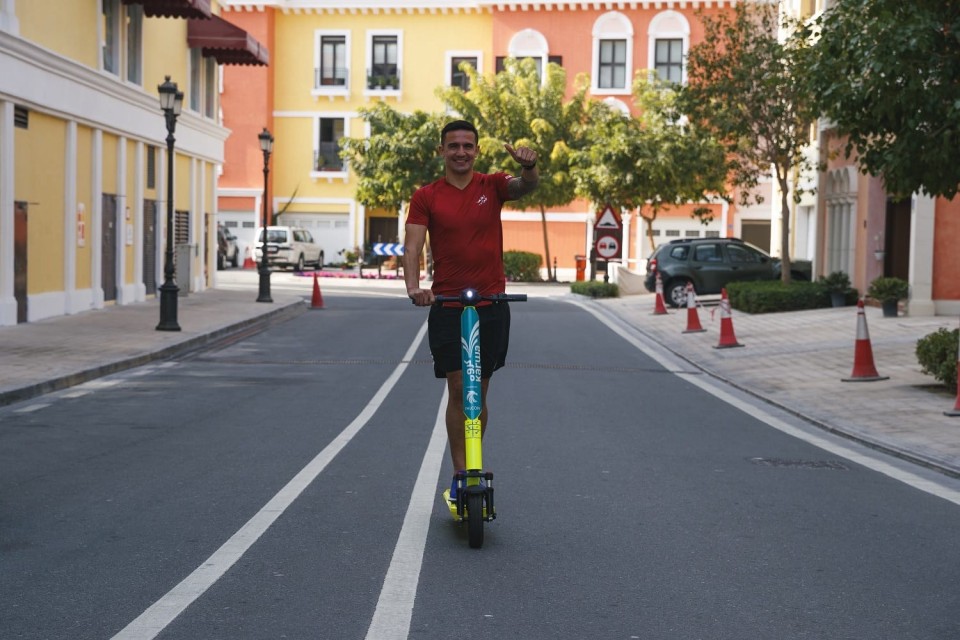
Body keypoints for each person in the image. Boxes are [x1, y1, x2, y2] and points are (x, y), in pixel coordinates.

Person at [402, 119, 539, 502]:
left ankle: (476, 462)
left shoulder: (492, 185)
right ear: (442, 150)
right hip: (447, 305)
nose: (460, 152)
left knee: (480, 389)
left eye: (467, 145)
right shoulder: (426, 196)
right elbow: (413, 246)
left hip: (491, 303)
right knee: (459, 388)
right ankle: (463, 472)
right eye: (453, 146)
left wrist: (529, 166)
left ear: (476, 150)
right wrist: (415, 288)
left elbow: (526, 186)